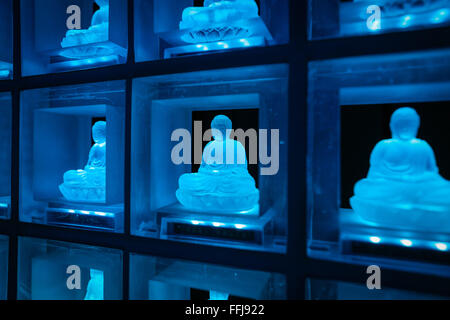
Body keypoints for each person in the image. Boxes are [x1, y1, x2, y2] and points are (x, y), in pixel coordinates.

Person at [350, 107, 450, 229]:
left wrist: (415, 180)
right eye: (401, 124)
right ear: (392, 125)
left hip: (418, 185)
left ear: (416, 125)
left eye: (410, 124)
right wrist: (398, 181)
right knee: (362, 186)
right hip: (389, 187)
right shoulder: (384, 145)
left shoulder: (422, 146)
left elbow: (433, 173)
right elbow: (373, 174)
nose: (405, 127)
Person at [176, 115, 259, 213]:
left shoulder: (236, 145)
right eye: (215, 129)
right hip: (208, 180)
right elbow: (202, 169)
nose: (218, 131)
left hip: (228, 181)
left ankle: (209, 197)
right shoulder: (209, 145)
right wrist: (211, 172)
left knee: (241, 183)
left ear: (229, 130)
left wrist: (224, 173)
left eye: (222, 128)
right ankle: (214, 196)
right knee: (184, 179)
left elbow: (242, 170)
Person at [59, 121, 106, 203]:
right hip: (90, 173)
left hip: (100, 175)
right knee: (68, 174)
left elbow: (108, 168)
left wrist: (95, 171)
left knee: (102, 180)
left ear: (105, 133)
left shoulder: (108, 147)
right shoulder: (95, 147)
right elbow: (88, 163)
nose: (95, 135)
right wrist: (86, 170)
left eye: (98, 133)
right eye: (93, 133)